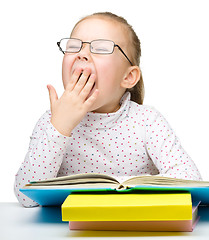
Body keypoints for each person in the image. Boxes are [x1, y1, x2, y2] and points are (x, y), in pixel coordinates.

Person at [14, 12, 202, 207]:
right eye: (73, 46)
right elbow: (26, 197)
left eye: (100, 48)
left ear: (128, 77)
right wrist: (59, 128)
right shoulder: (52, 121)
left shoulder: (147, 121)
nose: (82, 54)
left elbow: (191, 181)